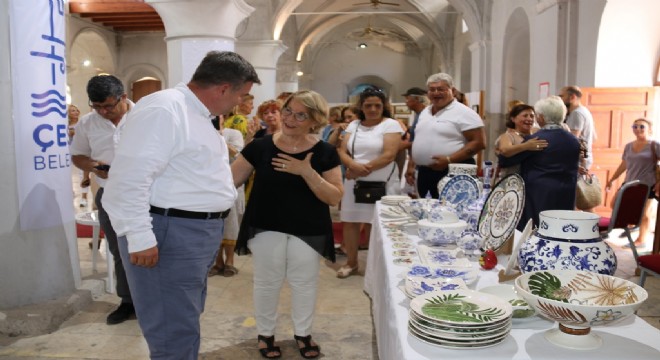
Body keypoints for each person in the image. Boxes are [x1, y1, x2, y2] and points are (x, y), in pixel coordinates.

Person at [102, 51, 261, 359]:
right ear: (223, 88)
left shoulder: (198, 114)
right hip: (168, 231)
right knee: (171, 328)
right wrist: (140, 237)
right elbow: (129, 179)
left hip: (191, 231)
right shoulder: (165, 109)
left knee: (183, 319)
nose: (241, 103)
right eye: (242, 95)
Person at [231, 90, 343, 359]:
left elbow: (335, 197)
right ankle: (265, 335)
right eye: (288, 111)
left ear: (314, 120)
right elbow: (229, 181)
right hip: (266, 223)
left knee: (304, 283)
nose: (291, 119)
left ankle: (303, 334)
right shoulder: (260, 146)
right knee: (266, 282)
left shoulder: (325, 152)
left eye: (300, 115)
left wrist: (307, 172)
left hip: (308, 226)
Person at [70, 75, 136, 324]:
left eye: (108, 106)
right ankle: (128, 301)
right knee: (119, 250)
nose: (103, 112)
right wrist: (93, 165)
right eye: (97, 106)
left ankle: (152, 300)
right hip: (110, 194)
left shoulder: (146, 116)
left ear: (123, 97)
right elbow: (78, 156)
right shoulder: (88, 123)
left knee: (153, 248)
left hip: (149, 194)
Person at [337, 88, 403, 278]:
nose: (373, 109)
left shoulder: (390, 125)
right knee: (350, 221)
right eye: (368, 105)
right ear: (361, 107)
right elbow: (342, 151)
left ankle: (376, 267)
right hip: (354, 180)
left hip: (382, 180)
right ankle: (351, 263)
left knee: (378, 223)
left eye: (377, 105)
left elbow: (389, 155)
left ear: (384, 107)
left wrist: (360, 169)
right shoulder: (354, 125)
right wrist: (351, 165)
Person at [500, 96, 581, 230]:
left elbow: (506, 160)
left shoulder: (537, 140)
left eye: (535, 115)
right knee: (561, 228)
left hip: (539, 193)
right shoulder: (573, 139)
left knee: (537, 230)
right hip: (567, 191)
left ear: (541, 117)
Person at [405, 73, 486, 198]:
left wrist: (449, 160)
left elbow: (479, 142)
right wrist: (412, 165)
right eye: (432, 89)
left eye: (441, 89)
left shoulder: (464, 112)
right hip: (424, 172)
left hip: (452, 173)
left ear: (452, 91)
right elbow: (418, 140)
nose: (436, 93)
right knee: (427, 211)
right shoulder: (425, 112)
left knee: (450, 213)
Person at [606, 118, 660, 247]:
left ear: (649, 129)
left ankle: (641, 240)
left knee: (645, 213)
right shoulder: (629, 146)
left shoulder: (655, 145)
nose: (638, 129)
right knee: (615, 204)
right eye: (635, 126)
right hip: (629, 182)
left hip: (648, 184)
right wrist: (612, 179)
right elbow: (624, 164)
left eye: (641, 126)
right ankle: (634, 226)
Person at [208, 115, 245, 277]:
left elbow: (236, 155)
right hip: (210, 186)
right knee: (214, 225)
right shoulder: (201, 132)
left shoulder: (233, 133)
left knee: (231, 223)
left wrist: (218, 136)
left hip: (232, 182)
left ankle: (230, 261)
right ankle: (217, 262)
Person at [494, 104, 548, 182]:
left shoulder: (538, 133)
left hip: (533, 180)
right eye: (525, 116)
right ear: (513, 119)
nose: (529, 119)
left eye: (532, 116)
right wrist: (526, 146)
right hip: (511, 181)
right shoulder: (508, 136)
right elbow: (505, 150)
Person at [559, 86, 596, 170]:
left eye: (562, 96)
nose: (560, 99)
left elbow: (572, 139)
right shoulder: (584, 110)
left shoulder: (577, 113)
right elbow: (594, 137)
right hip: (584, 157)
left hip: (579, 160)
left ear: (572, 97)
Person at [68, 104, 91, 208]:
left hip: (82, 151)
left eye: (76, 110)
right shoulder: (64, 125)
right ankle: (70, 193)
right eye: (73, 111)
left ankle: (84, 197)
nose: (76, 112)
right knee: (66, 174)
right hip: (68, 151)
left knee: (83, 175)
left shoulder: (83, 123)